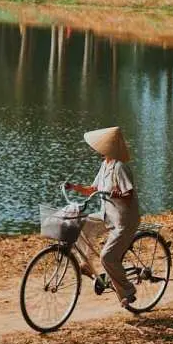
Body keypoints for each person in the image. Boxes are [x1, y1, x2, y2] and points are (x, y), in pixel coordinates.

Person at [65, 126, 140, 307]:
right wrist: (74, 187)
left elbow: (129, 194)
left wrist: (117, 194)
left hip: (123, 221)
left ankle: (127, 292)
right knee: (80, 224)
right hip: (106, 215)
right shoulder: (105, 165)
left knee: (107, 257)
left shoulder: (120, 167)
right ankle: (86, 265)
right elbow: (93, 189)